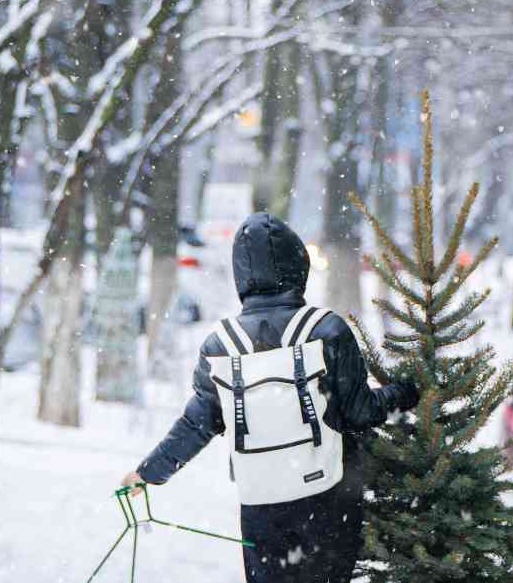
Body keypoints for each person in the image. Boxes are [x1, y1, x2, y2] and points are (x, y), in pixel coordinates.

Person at [120, 213, 419, 583]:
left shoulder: (221, 346)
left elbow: (196, 425)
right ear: (298, 266)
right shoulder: (326, 330)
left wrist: (148, 473)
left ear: (241, 275)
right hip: (328, 497)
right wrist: (408, 392)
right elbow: (361, 412)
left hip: (261, 503)